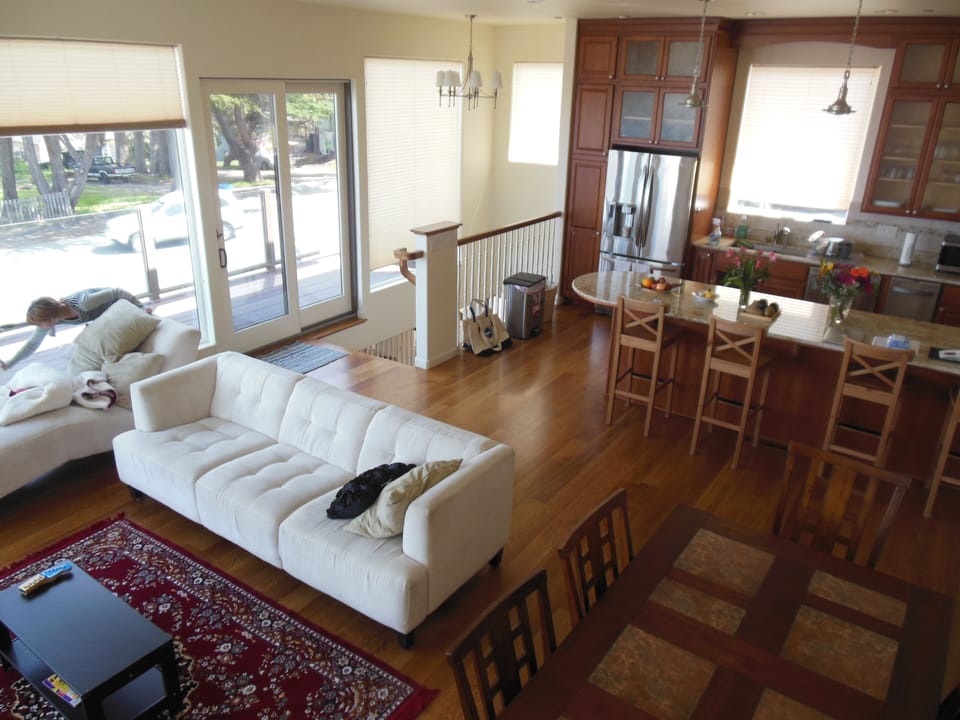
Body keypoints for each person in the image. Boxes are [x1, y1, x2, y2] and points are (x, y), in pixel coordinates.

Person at [1, 288, 149, 371]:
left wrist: (140, 307)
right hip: (108, 316)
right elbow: (32, 344)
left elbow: (117, 292)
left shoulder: (83, 303)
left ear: (50, 318)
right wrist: (10, 364)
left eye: (40, 323)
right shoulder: (55, 320)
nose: (39, 328)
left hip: (121, 307)